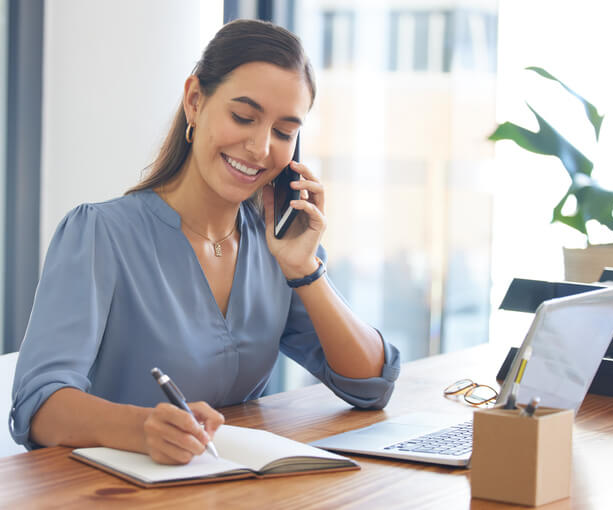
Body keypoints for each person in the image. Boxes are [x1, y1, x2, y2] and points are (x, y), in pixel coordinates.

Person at [10, 19, 400, 465]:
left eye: (284, 131)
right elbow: (38, 406)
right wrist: (143, 429)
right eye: (244, 117)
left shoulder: (277, 247)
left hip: (227, 487)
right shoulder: (99, 234)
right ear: (195, 101)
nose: (260, 147)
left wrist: (305, 269)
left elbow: (370, 385)